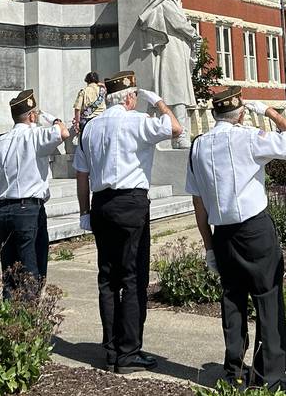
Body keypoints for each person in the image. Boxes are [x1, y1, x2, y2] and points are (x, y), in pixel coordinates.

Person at [186, 88, 286, 392]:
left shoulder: (197, 146)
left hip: (222, 233)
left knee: (233, 301)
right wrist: (269, 112)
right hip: (254, 228)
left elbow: (198, 203)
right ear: (240, 113)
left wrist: (208, 245)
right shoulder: (248, 136)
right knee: (267, 298)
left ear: (214, 115)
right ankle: (269, 377)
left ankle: (234, 373)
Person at [73, 71, 183, 373]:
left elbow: (82, 175)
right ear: (131, 97)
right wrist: (158, 100)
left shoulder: (91, 128)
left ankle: (110, 348)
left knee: (107, 279)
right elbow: (175, 127)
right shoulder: (136, 121)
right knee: (133, 278)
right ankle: (128, 351)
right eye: (136, 96)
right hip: (131, 203)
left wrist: (84, 212)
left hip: (101, 204)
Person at [0, 90, 71, 298]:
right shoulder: (35, 135)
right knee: (32, 275)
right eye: (35, 114)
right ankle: (28, 326)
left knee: (10, 276)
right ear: (32, 116)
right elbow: (63, 132)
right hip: (29, 211)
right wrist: (53, 118)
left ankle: (10, 325)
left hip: (4, 211)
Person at [136, 0, 201, 148]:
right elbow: (179, 24)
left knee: (179, 91)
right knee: (176, 91)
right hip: (172, 51)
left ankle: (180, 134)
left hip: (180, 49)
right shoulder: (167, 3)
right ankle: (180, 135)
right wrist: (195, 34)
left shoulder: (175, 4)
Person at [72, 72, 107, 138]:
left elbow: (77, 108)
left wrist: (77, 123)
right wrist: (100, 83)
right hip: (102, 119)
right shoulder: (102, 90)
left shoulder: (84, 91)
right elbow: (107, 86)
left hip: (88, 121)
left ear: (87, 81)